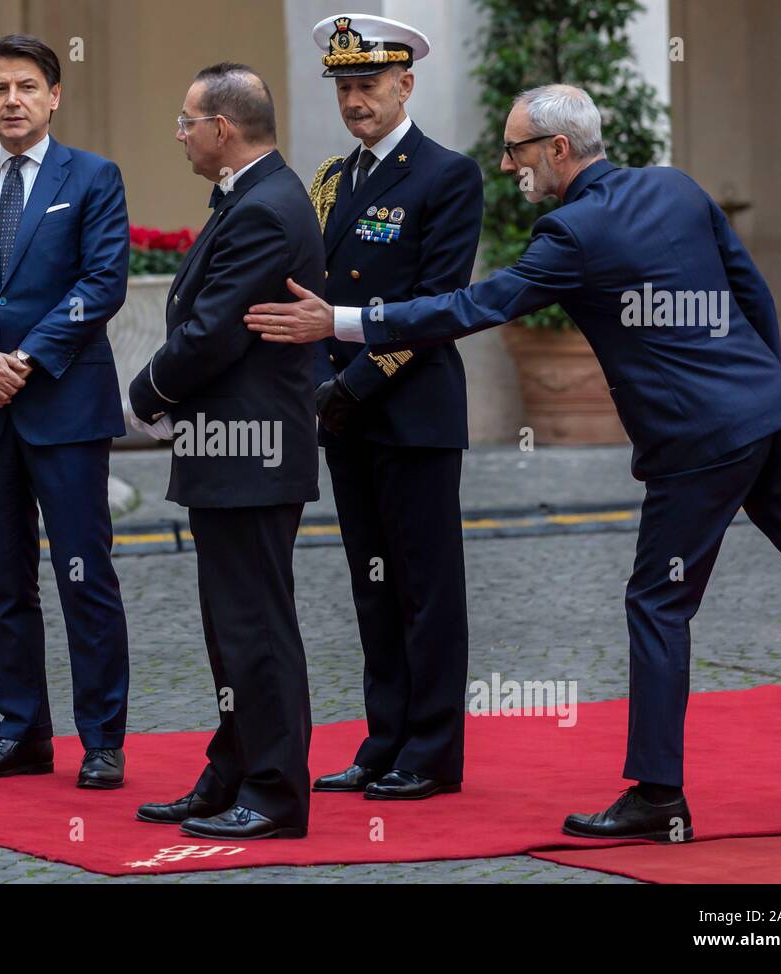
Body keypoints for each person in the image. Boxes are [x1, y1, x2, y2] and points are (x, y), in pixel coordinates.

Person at [244, 83, 781, 841]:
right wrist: (763, 386)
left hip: (696, 442)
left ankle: (657, 796)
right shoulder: (676, 186)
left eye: (516, 149)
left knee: (657, 604)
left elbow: (471, 307)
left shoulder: (571, 233)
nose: (509, 164)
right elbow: (751, 292)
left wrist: (342, 321)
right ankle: (654, 790)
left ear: (558, 150)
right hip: (774, 419)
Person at [0, 34, 131, 789]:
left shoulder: (94, 177)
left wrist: (27, 358)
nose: (13, 101)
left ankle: (102, 739)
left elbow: (102, 281)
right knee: (3, 582)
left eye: (27, 87)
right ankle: (23, 732)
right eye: (0, 88)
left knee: (84, 576)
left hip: (63, 405)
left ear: (54, 97)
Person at [128, 63, 325, 840]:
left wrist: (144, 393)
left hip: (251, 451)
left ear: (223, 128)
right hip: (229, 450)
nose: (179, 135)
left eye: (186, 122)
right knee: (230, 625)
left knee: (257, 627)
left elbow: (212, 330)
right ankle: (233, 768)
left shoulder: (266, 208)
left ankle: (275, 792)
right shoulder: (254, 197)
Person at [305, 14, 483, 800]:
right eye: (344, 88)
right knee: (372, 587)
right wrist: (321, 386)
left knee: (425, 587)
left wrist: (353, 384)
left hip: (409, 411)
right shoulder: (333, 181)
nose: (354, 102)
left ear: (405, 84)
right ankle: (383, 741)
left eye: (368, 86)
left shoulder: (447, 175)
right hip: (346, 416)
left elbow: (436, 305)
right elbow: (310, 294)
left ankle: (433, 751)